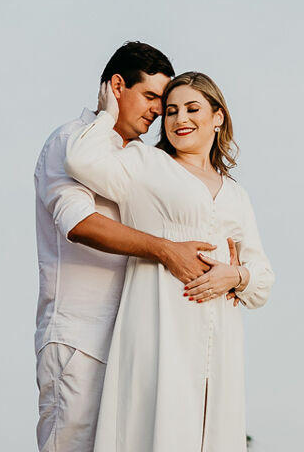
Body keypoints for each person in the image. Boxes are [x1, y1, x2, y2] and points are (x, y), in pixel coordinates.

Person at [65, 70, 275, 452]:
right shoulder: (144, 163)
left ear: (218, 117)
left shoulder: (237, 195)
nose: (180, 119)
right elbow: (81, 161)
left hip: (221, 342)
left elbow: (263, 279)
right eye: (172, 111)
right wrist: (108, 112)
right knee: (157, 428)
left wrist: (236, 275)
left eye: (193, 109)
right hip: (159, 327)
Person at [36, 42, 220, 452]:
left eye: (164, 101)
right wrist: (167, 250)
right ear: (117, 86)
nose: (159, 111)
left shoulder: (138, 158)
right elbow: (79, 224)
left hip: (131, 344)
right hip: (81, 339)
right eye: (151, 97)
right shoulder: (70, 141)